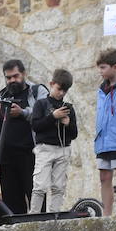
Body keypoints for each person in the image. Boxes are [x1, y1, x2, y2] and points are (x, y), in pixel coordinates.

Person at [0, 59, 47, 214]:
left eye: (15, 76)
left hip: (31, 157)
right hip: (6, 160)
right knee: (13, 207)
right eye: (8, 77)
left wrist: (22, 112)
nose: (12, 80)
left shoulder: (36, 91)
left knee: (37, 201)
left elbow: (47, 114)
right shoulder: (1, 95)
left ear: (24, 74)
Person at [29, 69, 79, 213]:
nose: (62, 93)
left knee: (59, 186)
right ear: (51, 84)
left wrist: (68, 123)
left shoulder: (69, 108)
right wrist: (53, 117)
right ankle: (34, 215)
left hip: (63, 149)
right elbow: (36, 126)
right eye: (59, 89)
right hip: (45, 149)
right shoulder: (41, 104)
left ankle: (54, 215)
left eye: (65, 90)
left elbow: (74, 134)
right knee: (40, 185)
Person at [93, 50, 116, 216]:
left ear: (115, 67)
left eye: (103, 67)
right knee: (104, 177)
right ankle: (106, 214)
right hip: (103, 140)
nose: (100, 71)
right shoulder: (101, 89)